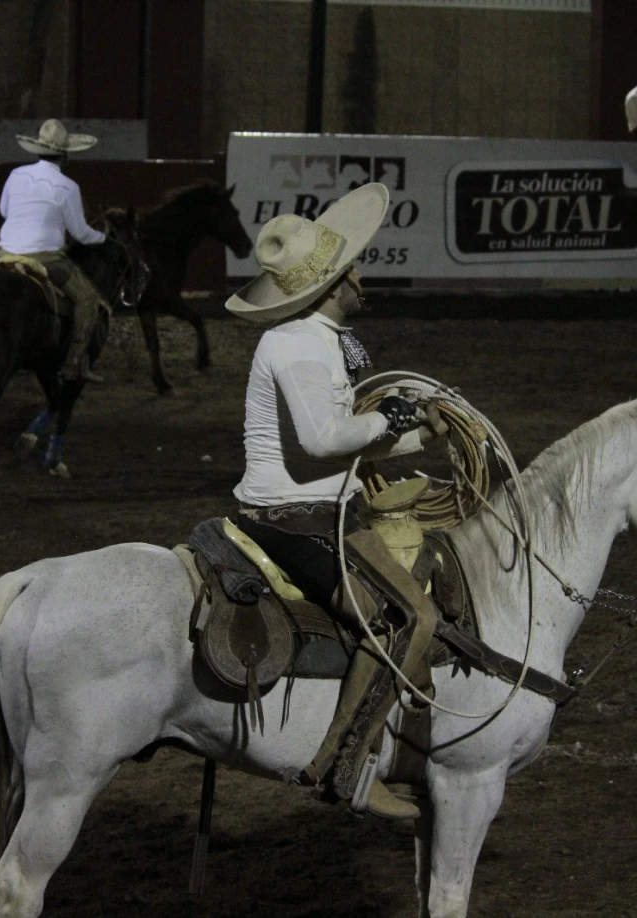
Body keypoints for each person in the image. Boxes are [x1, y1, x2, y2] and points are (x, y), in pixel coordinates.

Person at [227, 183, 447, 821]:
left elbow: (347, 443)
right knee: (414, 619)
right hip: (296, 520)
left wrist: (420, 430)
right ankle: (346, 768)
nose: (360, 273)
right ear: (332, 283)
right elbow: (325, 438)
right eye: (352, 266)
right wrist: (391, 418)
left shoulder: (322, 341)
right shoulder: (296, 343)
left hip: (315, 509)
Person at [0, 118, 108, 382]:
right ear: (65, 154)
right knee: (88, 299)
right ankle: (73, 363)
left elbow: (4, 211)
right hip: (46, 260)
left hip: (6, 253)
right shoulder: (68, 188)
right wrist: (102, 237)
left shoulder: (16, 175)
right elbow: (80, 234)